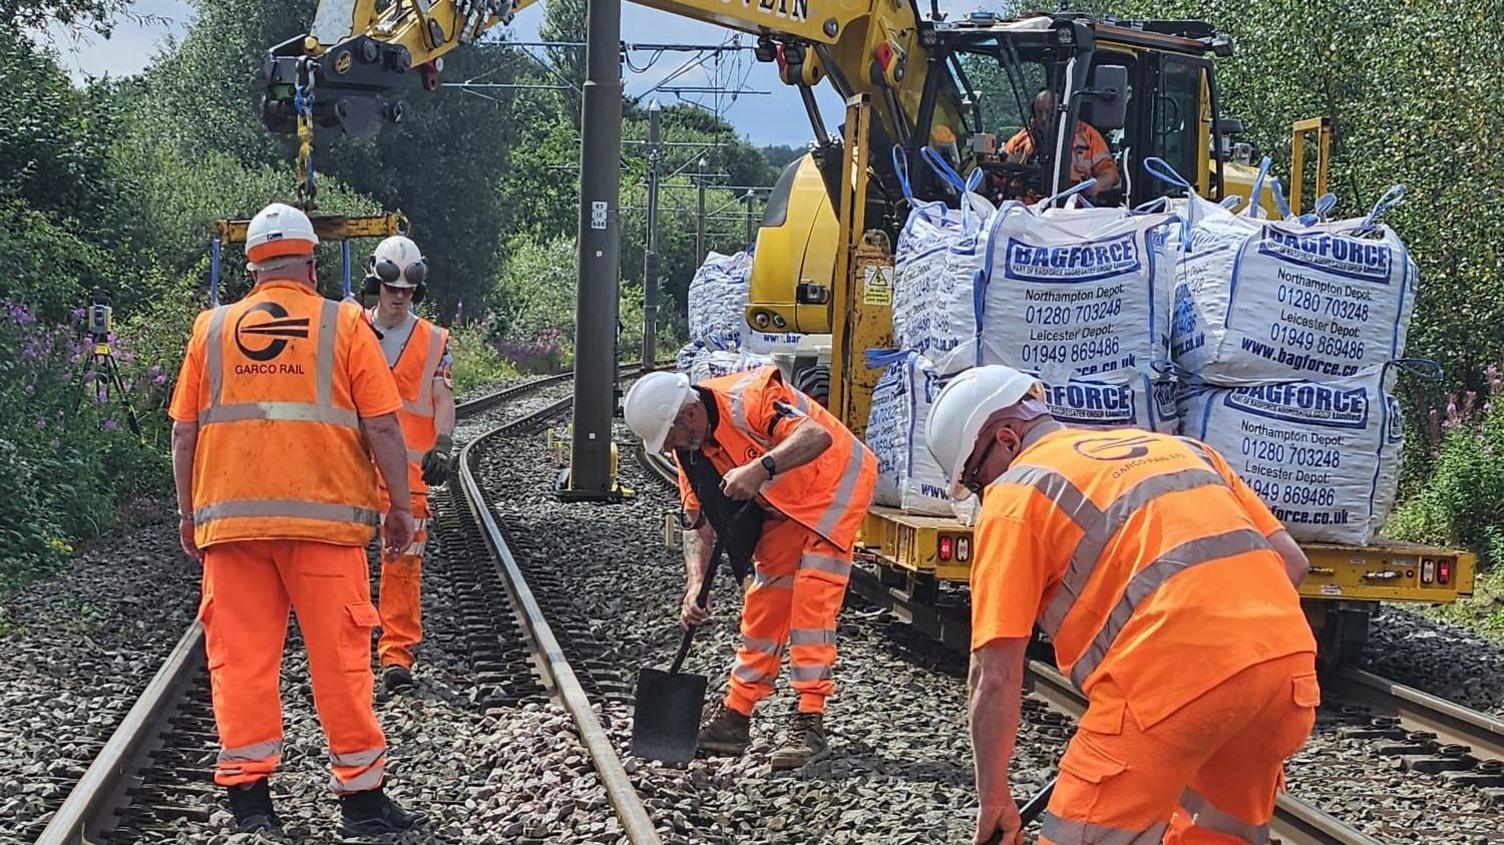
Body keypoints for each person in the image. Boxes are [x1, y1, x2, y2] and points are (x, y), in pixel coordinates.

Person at [924, 366, 1318, 845]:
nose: (982, 496)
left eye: (977, 479)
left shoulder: (1018, 492)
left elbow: (995, 674)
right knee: (1218, 835)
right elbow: (1291, 563)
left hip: (1167, 685)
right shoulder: (1185, 450)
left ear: (1006, 438)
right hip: (1286, 675)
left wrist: (995, 799)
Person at [169, 202, 427, 837]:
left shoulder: (212, 327)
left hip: (232, 530)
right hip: (325, 530)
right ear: (311, 261)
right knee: (341, 660)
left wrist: (186, 513)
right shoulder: (343, 326)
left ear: (252, 264)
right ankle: (362, 801)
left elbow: (183, 432)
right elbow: (384, 427)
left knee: (242, 660)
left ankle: (250, 800)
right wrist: (398, 505)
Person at [622, 367, 877, 769]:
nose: (670, 446)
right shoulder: (689, 448)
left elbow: (817, 436)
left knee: (811, 599)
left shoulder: (749, 399)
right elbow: (696, 520)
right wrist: (693, 586)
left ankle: (809, 720)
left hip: (833, 484)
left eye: (669, 436)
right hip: (786, 502)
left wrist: (759, 470)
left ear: (689, 415)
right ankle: (735, 717)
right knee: (765, 598)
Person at [361, 235, 455, 692]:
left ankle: (396, 656)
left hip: (409, 477)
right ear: (376, 283)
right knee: (346, 566)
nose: (398, 297)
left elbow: (441, 393)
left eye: (407, 290)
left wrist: (444, 442)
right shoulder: (351, 330)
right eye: (391, 287)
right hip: (353, 472)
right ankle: (350, 650)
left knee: (403, 565)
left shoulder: (434, 340)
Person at [1004, 89, 1120, 199]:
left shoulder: (1087, 136)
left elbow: (1109, 172)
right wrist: (1010, 168)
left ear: (1062, 111)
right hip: (1026, 209)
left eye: (1049, 112)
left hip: (1070, 210)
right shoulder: (1021, 140)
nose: (1044, 118)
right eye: (1039, 112)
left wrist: (1098, 185)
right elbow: (998, 173)